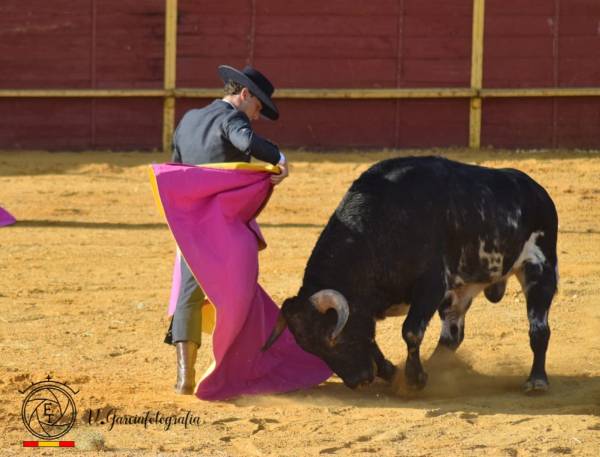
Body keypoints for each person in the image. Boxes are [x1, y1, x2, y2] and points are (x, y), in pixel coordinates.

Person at [164, 64, 289, 394]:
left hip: (191, 224)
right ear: (244, 94)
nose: (256, 116)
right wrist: (278, 158)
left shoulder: (188, 119)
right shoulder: (232, 119)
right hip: (225, 225)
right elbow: (245, 140)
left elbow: (176, 170)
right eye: (257, 107)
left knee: (189, 294)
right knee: (242, 292)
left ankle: (184, 375)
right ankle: (244, 366)